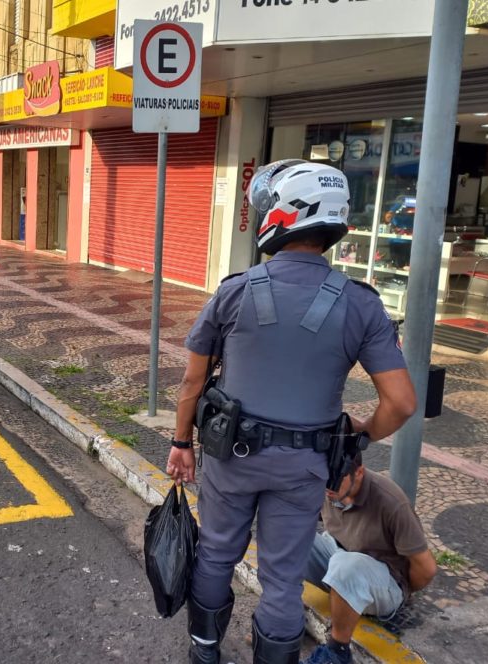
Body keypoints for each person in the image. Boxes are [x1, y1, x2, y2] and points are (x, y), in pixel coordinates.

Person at [166, 159, 417, 664]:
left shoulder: (235, 290)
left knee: (216, 554)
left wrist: (179, 442)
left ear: (282, 214)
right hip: (304, 466)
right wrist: (362, 435)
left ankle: (205, 651)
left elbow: (194, 379)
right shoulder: (362, 304)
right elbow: (402, 403)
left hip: (229, 456)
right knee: (281, 577)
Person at [303, 453, 437, 664]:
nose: (329, 487)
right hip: (341, 559)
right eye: (325, 478)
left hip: (383, 579)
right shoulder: (325, 486)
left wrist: (401, 594)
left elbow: (426, 568)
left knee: (345, 567)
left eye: (337, 479)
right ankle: (287, 618)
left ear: (359, 472)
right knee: (288, 536)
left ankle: (337, 653)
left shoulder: (391, 502)